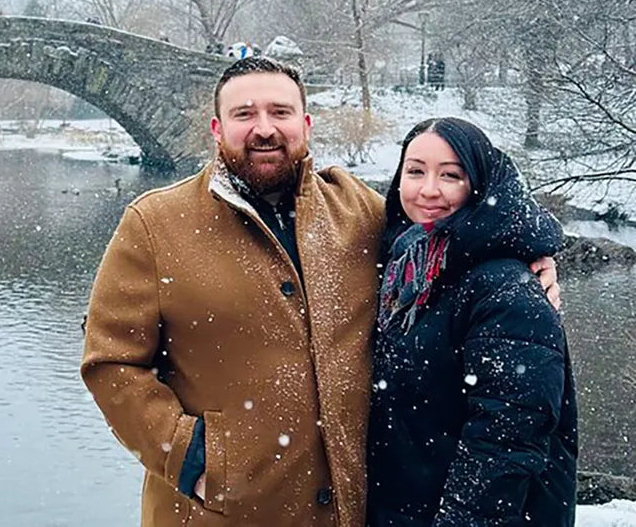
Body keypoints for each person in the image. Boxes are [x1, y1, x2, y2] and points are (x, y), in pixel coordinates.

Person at [80, 57, 559, 527]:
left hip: (347, 509)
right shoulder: (156, 223)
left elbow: (450, 242)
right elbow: (110, 361)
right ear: (217, 128)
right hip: (219, 512)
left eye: (280, 113)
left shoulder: (361, 213)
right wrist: (188, 454)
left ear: (305, 124)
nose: (263, 128)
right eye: (244, 114)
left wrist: (526, 264)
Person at [366, 118, 577, 526]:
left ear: (479, 184)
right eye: (415, 171)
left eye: (451, 175)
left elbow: (505, 442)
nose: (428, 189)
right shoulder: (407, 264)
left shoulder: (505, 288)